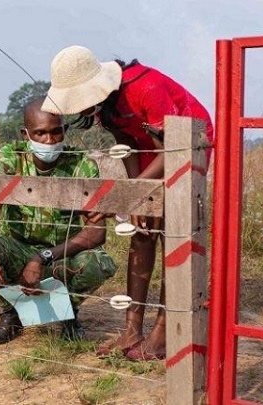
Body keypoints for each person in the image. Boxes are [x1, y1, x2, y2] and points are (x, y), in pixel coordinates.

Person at [42, 45, 213, 360]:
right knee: (142, 231)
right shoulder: (108, 106)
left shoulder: (146, 88)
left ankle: (163, 333)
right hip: (153, 150)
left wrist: (128, 196)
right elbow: (129, 146)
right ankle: (132, 329)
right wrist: (137, 200)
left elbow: (173, 150)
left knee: (171, 236)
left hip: (187, 144)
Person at [0, 96, 117, 344]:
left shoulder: (81, 164)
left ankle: (68, 314)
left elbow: (96, 233)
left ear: (65, 130)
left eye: (56, 132)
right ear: (25, 135)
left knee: (97, 262)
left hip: (61, 254)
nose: (49, 141)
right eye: (40, 134)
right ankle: (12, 315)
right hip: (18, 250)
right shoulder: (12, 157)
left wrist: (42, 257)